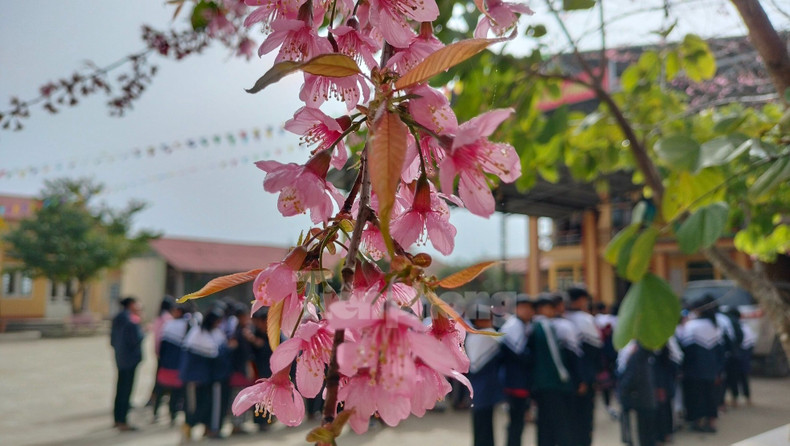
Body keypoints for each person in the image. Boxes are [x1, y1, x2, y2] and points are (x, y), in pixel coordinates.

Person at [528, 294, 574, 446]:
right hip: (551, 381)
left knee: (544, 421)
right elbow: (554, 353)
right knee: (559, 421)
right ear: (542, 308)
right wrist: (563, 374)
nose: (553, 310)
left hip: (540, 381)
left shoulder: (532, 325)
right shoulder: (545, 325)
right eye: (550, 307)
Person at [677, 295, 724, 433]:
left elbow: (685, 351)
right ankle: (711, 423)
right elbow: (720, 352)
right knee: (711, 396)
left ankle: (697, 421)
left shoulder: (691, 327)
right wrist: (718, 370)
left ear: (697, 310)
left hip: (693, 370)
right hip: (711, 370)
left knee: (696, 397)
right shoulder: (715, 326)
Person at [180, 309, 229, 441]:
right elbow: (213, 352)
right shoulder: (197, 333)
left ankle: (205, 429)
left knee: (206, 404)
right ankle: (187, 430)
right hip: (193, 378)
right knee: (193, 406)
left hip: (206, 378)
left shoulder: (214, 332)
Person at [564, 287, 602, 446]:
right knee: (584, 418)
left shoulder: (561, 317)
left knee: (569, 418)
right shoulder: (585, 320)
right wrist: (588, 378)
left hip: (564, 378)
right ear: (580, 300)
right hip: (584, 379)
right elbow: (594, 352)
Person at [465, 304, 503, 446]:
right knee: (485, 425)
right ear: (478, 321)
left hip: (477, 387)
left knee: (481, 424)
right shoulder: (487, 334)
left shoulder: (471, 336)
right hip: (485, 387)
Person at [499, 294, 534, 446]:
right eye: (523, 307)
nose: (527, 311)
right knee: (516, 421)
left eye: (529, 308)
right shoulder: (514, 326)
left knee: (518, 420)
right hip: (514, 382)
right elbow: (520, 355)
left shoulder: (524, 324)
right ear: (516, 309)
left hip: (519, 380)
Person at [154, 302, 193, 425]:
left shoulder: (180, 324)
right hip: (172, 362)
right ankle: (159, 412)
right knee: (166, 389)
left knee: (172, 390)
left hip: (174, 363)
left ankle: (172, 413)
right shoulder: (175, 324)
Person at [110, 296, 144, 432]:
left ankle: (117, 418)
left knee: (120, 389)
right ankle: (123, 421)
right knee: (126, 390)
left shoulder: (118, 317)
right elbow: (136, 339)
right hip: (130, 360)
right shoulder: (131, 319)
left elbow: (112, 340)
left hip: (120, 357)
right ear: (131, 304)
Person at [617, 341, 657, 446]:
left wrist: (622, 391)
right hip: (646, 399)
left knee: (639, 435)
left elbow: (632, 376)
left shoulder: (638, 353)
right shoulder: (646, 353)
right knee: (647, 435)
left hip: (637, 399)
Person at [148, 295, 176, 415]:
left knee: (158, 377)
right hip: (166, 353)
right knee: (164, 379)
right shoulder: (168, 319)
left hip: (157, 352)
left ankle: (154, 398)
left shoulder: (158, 318)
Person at [724, 307, 756, 406]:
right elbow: (752, 343)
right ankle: (748, 398)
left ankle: (735, 399)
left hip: (736, 355)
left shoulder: (731, 326)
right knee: (744, 378)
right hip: (744, 355)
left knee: (733, 378)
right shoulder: (745, 326)